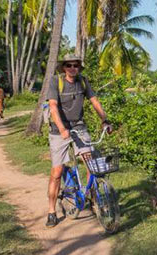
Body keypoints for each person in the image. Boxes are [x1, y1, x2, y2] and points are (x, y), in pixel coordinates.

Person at [46, 54, 112, 227]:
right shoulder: (56, 82)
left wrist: (105, 120)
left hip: (79, 127)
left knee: (91, 162)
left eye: (76, 65)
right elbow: (53, 106)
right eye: (69, 65)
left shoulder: (83, 81)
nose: (72, 68)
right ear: (64, 67)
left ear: (79, 67)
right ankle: (51, 211)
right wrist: (61, 128)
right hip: (58, 129)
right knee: (57, 172)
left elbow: (95, 101)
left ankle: (93, 197)